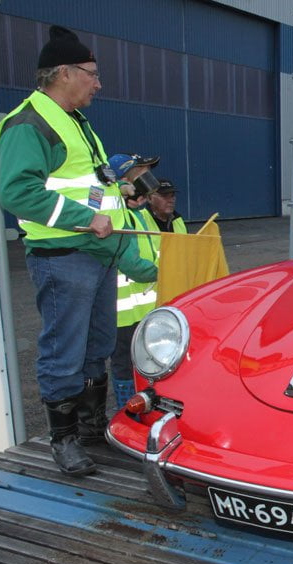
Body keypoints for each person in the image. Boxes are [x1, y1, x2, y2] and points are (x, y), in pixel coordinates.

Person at [0, 25, 156, 476]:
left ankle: (91, 430)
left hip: (99, 253)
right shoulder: (30, 123)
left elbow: (86, 181)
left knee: (98, 345)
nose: (98, 83)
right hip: (64, 257)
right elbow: (18, 193)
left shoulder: (75, 121)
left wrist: (119, 190)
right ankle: (63, 441)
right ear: (63, 73)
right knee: (64, 351)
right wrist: (85, 218)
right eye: (92, 73)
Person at [107, 153, 163, 410]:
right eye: (142, 172)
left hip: (147, 305)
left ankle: (146, 407)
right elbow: (131, 262)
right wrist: (164, 273)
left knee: (151, 361)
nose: (148, 178)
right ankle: (127, 411)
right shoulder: (117, 208)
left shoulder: (141, 212)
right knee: (124, 364)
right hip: (123, 309)